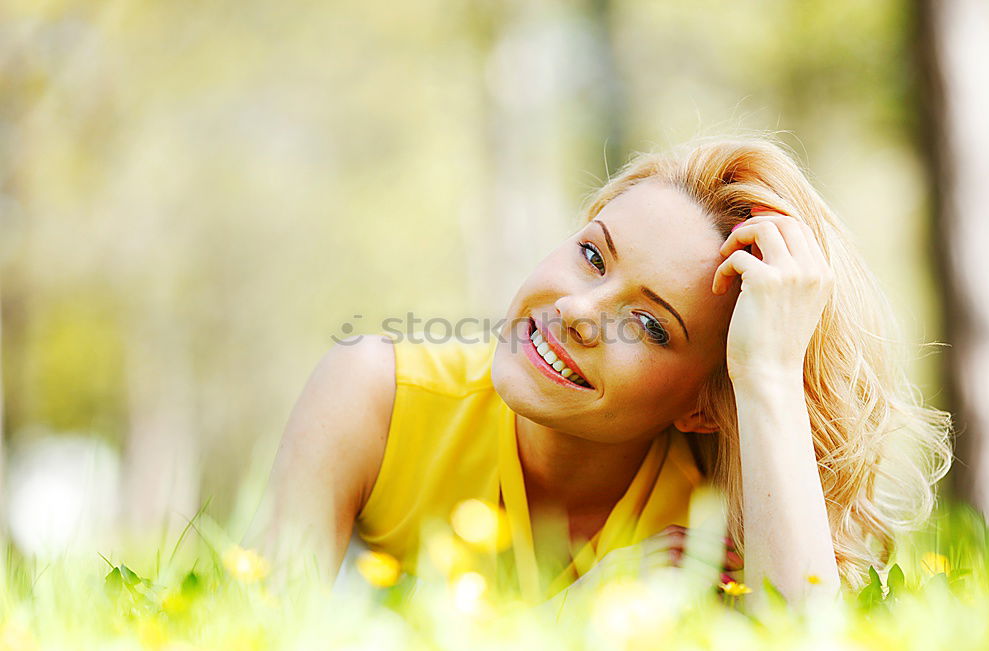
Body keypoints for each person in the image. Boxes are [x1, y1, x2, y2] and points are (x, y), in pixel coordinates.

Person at [244, 135, 952, 608]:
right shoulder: (376, 394)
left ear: (705, 404)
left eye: (650, 325)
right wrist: (573, 624)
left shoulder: (728, 514)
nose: (581, 311)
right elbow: (257, 640)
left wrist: (767, 375)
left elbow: (805, 646)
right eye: (592, 254)